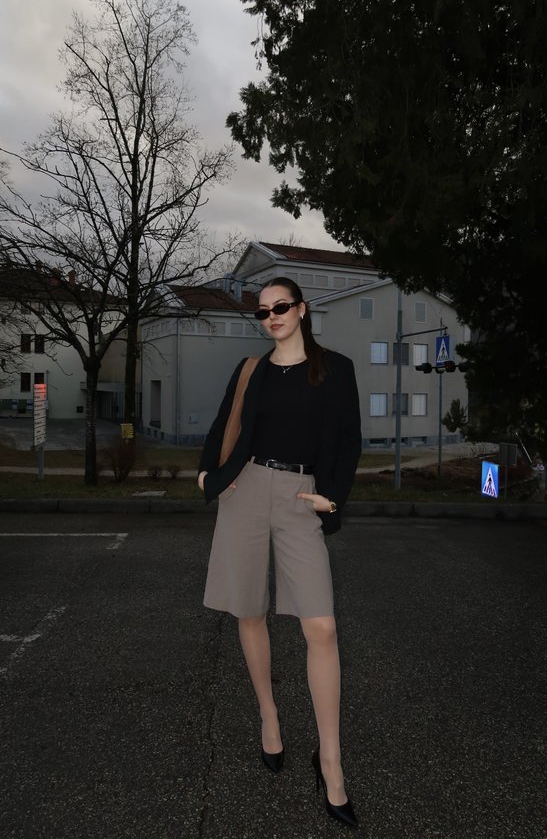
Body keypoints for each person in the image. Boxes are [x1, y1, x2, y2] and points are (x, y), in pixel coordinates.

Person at [197, 276, 362, 828]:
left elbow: (349, 439)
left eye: (281, 306)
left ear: (302, 309)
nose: (272, 316)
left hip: (301, 496)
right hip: (245, 491)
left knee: (322, 627)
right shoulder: (252, 370)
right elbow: (224, 423)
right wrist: (207, 474)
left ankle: (330, 760)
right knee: (249, 611)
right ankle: (269, 717)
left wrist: (332, 496)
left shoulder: (336, 369)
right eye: (264, 311)